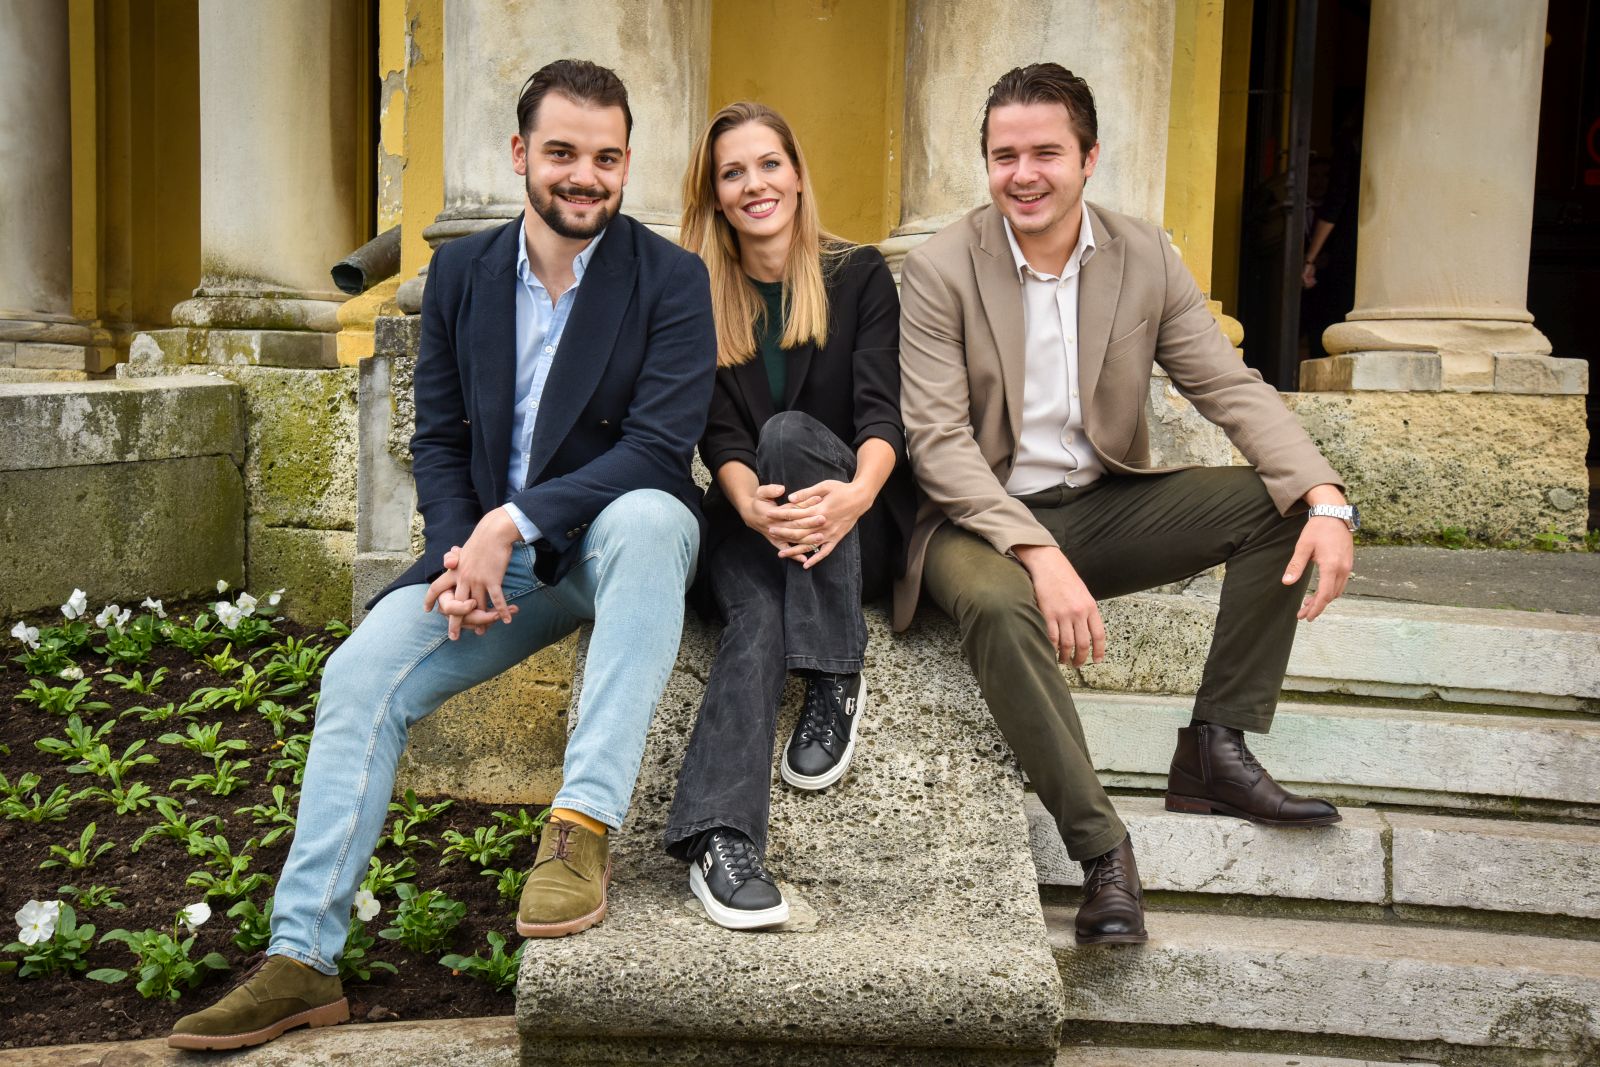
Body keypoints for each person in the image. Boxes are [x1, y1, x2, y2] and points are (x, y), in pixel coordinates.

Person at [168, 59, 716, 1050]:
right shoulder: (465, 275)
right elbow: (439, 437)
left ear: (626, 164)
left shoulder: (670, 277)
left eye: (604, 157)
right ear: (519, 156)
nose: (582, 175)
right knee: (356, 675)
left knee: (648, 514)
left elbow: (655, 443)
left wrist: (512, 522)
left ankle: (580, 829)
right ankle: (301, 956)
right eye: (560, 153)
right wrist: (464, 547)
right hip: (493, 556)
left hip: (615, 543)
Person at [896, 64, 1357, 947]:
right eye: (1003, 156)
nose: (1022, 174)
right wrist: (1036, 554)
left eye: (1044, 153)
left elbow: (1228, 384)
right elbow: (939, 446)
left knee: (1284, 507)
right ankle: (1104, 852)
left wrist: (1328, 495)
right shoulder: (940, 268)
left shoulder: (1144, 255)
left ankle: (1215, 748)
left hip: (1100, 504)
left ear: (1089, 158)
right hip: (974, 521)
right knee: (997, 604)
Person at [661, 102, 912, 930]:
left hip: (853, 523)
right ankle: (719, 841)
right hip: (747, 523)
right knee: (756, 617)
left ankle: (836, 667)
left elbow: (882, 415)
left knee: (794, 434)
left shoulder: (860, 275)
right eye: (733, 172)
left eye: (769, 164)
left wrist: (858, 494)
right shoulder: (697, 292)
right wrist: (744, 500)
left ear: (797, 174)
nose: (754, 184)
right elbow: (715, 431)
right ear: (716, 194)